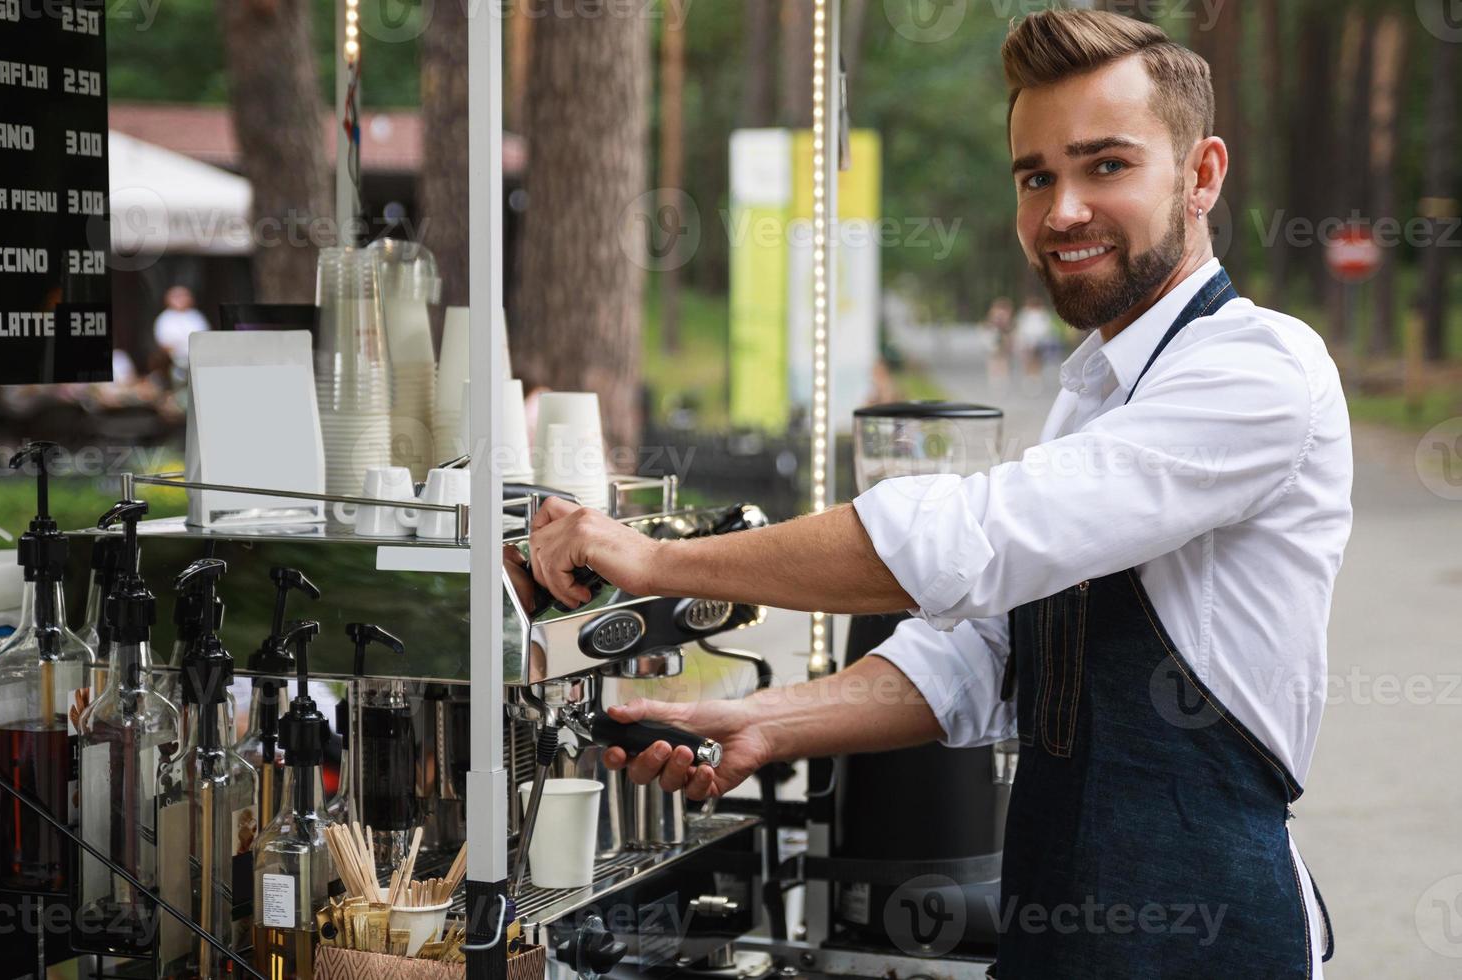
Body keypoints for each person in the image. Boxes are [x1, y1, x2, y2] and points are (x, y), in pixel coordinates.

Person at [528, 10, 1349, 978]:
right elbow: (980, 654)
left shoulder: (1258, 369)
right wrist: (763, 721)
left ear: (1200, 174)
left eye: (1104, 166)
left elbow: (974, 538)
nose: (1062, 210)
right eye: (1035, 175)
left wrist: (656, 558)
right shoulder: (1095, 396)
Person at [152, 285, 210, 382]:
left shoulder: (196, 316)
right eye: (177, 297)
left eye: (184, 296)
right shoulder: (165, 318)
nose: (181, 300)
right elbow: (164, 344)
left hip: (198, 355)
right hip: (175, 358)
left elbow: (206, 337)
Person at [1013, 293, 1055, 377]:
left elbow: (1047, 328)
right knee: (1027, 357)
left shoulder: (1043, 314)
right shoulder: (1024, 313)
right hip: (1026, 340)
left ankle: (1036, 374)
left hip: (1040, 340)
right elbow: (1020, 328)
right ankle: (1028, 373)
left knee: (1037, 357)